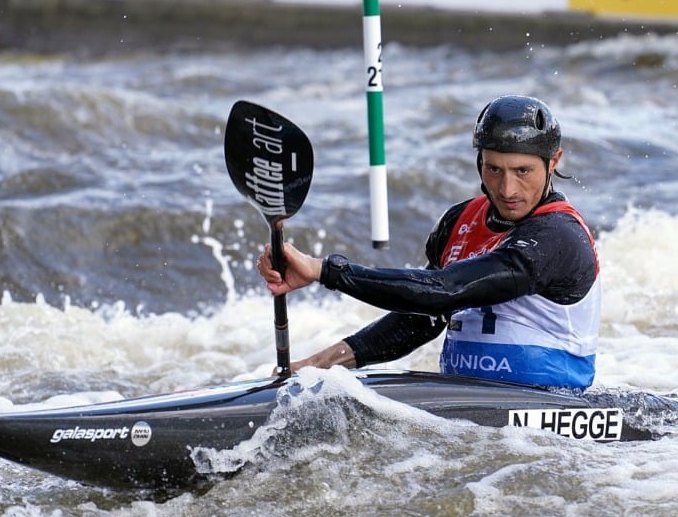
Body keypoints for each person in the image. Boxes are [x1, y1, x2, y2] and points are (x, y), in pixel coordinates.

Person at [256, 95, 602, 392]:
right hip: (466, 405)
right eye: (493, 169)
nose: (507, 189)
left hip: (548, 409)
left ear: (553, 161)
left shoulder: (559, 236)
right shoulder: (460, 220)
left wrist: (326, 271)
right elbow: (423, 317)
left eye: (522, 171)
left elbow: (447, 290)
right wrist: (321, 364)